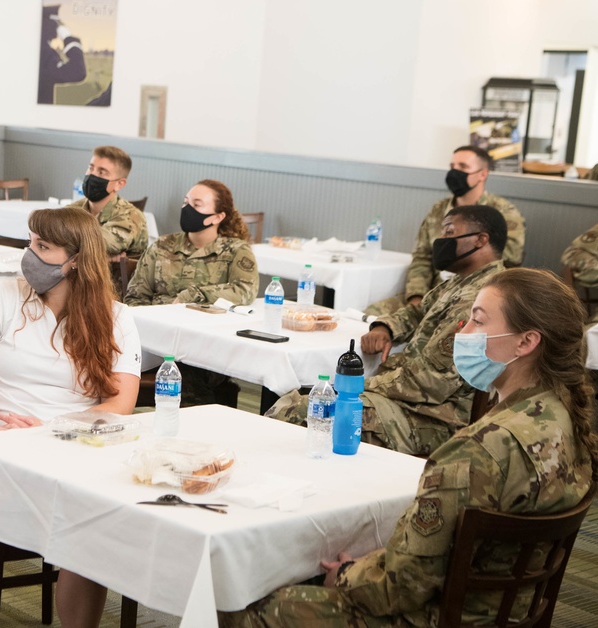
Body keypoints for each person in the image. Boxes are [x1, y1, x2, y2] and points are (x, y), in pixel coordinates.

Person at [218, 267, 595, 628]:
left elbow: (400, 587)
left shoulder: (479, 451)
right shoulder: (568, 419)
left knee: (240, 611)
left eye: (479, 322)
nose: (462, 332)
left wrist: (346, 574)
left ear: (526, 342)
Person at [0, 207, 141, 628]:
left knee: (92, 520)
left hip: (77, 445)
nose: (28, 256)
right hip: (3, 448)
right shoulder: (1, 297)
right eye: (30, 242)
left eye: (42, 247)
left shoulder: (115, 317)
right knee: (87, 522)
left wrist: (58, 430)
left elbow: (120, 404)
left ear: (75, 260)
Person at [267, 205, 506, 457]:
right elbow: (416, 312)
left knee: (300, 411)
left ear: (481, 240)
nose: (441, 241)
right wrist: (386, 327)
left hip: (433, 417)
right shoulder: (462, 282)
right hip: (407, 401)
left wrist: (360, 385)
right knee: (300, 405)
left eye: (449, 232)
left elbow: (430, 383)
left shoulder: (478, 299)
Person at [125, 179, 258, 405]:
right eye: (186, 203)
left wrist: (194, 294)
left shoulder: (235, 251)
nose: (188, 209)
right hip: (156, 341)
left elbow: (244, 290)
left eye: (197, 205)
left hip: (205, 345)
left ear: (218, 217)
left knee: (192, 371)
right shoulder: (162, 246)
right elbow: (135, 299)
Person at [364, 145, 524, 317]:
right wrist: (416, 296)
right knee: (373, 314)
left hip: (473, 298)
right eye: (452, 167)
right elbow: (422, 257)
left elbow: (508, 264)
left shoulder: (504, 213)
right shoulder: (439, 210)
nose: (455, 172)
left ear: (483, 174)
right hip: (432, 293)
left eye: (463, 167)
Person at [67, 145, 148, 258]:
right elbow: (52, 229)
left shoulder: (131, 216)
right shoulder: (77, 207)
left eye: (102, 172)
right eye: (91, 168)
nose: (92, 175)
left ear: (119, 184)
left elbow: (96, 243)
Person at [37, 3, 86, 105]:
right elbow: (77, 71)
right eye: (56, 23)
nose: (59, 25)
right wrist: (69, 38)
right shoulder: (44, 52)